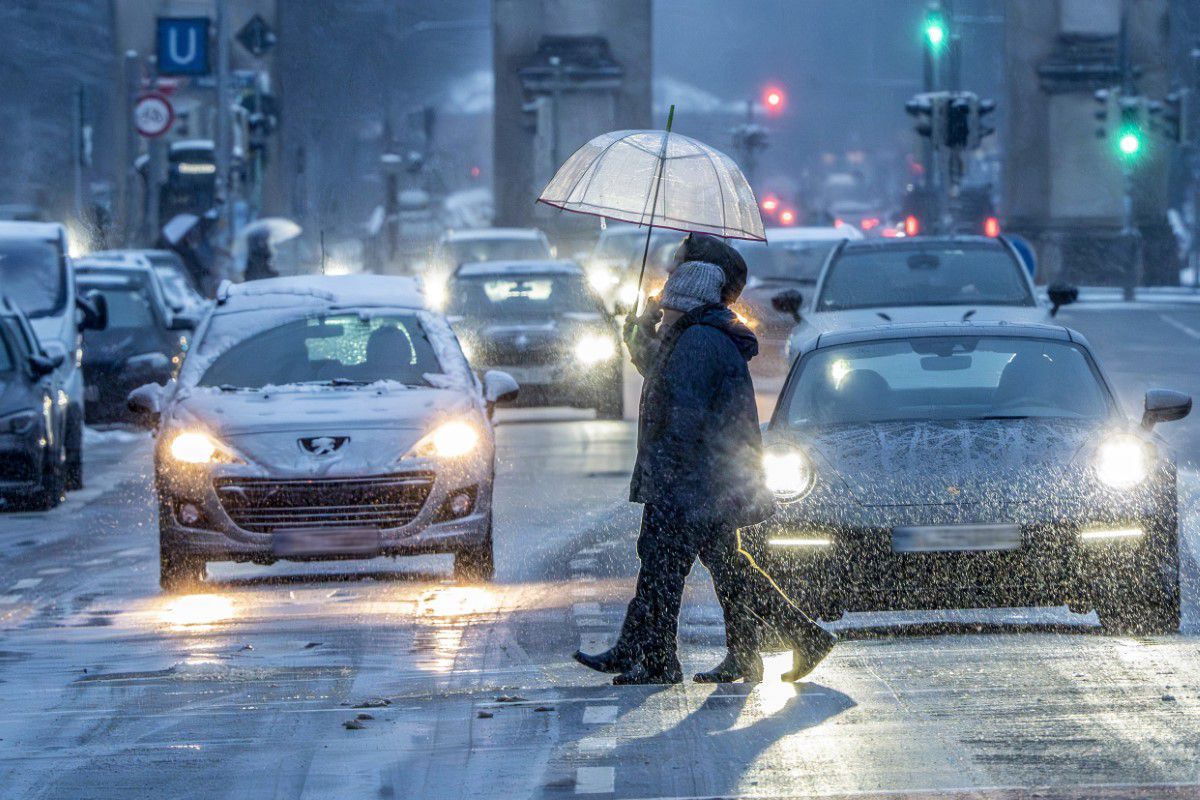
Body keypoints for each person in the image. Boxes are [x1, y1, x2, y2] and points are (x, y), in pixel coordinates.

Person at [574, 233, 836, 685]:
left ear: (692, 283)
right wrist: (642, 336)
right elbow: (668, 377)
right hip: (705, 478)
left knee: (665, 563)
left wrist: (667, 477)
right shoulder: (696, 337)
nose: (667, 275)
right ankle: (775, 643)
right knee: (703, 565)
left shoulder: (699, 340)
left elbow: (685, 410)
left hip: (695, 479)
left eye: (676, 267)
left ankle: (655, 657)